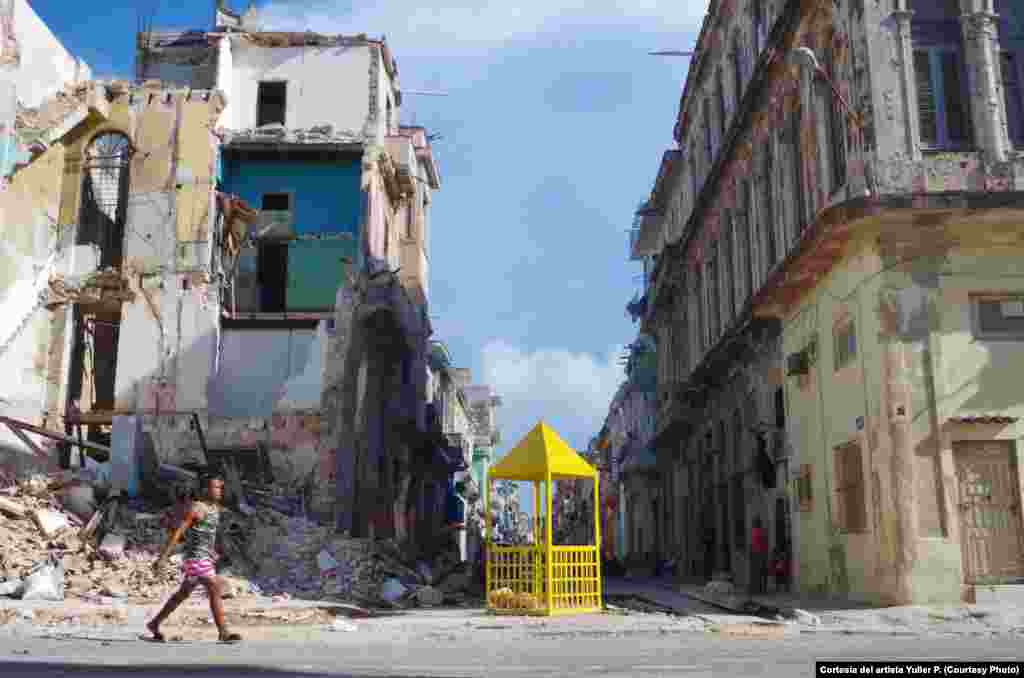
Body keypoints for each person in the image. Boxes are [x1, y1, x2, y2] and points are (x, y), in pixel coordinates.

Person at [145, 472, 242, 643]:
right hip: (195, 557)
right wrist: (163, 557)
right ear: (205, 489)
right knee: (213, 587)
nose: (220, 490)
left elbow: (211, 534)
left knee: (182, 594)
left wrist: (219, 551)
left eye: (221, 487)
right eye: (216, 487)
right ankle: (223, 632)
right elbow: (179, 532)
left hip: (205, 557)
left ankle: (154, 623)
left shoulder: (214, 509)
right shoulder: (197, 508)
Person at [749, 517, 769, 595]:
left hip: (757, 554)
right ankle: (761, 589)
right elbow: (764, 543)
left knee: (757, 573)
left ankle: (758, 590)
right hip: (761, 554)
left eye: (754, 523)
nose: (753, 524)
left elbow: (753, 544)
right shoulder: (762, 531)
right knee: (761, 573)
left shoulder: (756, 531)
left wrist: (752, 552)